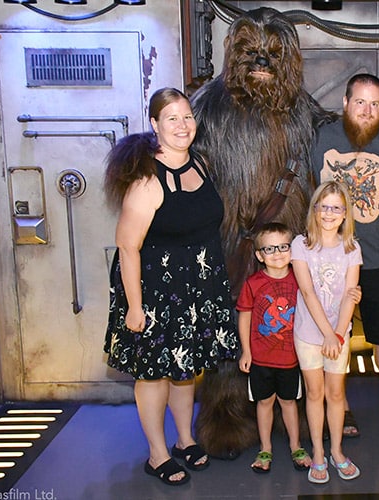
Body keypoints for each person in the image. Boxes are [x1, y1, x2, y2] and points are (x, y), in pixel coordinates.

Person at [103, 87, 239, 485]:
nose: (182, 125)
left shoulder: (202, 164)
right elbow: (128, 247)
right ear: (155, 125)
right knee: (154, 374)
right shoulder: (147, 179)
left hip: (198, 286)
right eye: (172, 118)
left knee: (186, 370)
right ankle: (157, 454)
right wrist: (134, 306)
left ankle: (184, 439)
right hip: (155, 292)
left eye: (187, 117)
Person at [311, 73, 379, 436]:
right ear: (345, 103)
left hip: (374, 261)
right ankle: (341, 405)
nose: (367, 111)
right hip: (327, 261)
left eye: (375, 104)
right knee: (334, 334)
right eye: (360, 102)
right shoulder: (319, 140)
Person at [291, 181, 363, 484]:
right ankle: (318, 452)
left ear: (345, 213)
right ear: (315, 210)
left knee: (336, 393)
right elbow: (307, 293)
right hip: (310, 334)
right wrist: (327, 335)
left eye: (336, 207)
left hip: (339, 332)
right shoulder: (301, 244)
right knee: (315, 392)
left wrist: (338, 333)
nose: (330, 213)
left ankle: (336, 451)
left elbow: (350, 292)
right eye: (324, 206)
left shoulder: (352, 248)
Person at [236, 222, 312, 474]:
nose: (277, 253)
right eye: (269, 249)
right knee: (264, 403)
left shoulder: (302, 281)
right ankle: (265, 448)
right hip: (261, 359)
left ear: (293, 249)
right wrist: (246, 351)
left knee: (289, 403)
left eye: (283, 246)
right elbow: (245, 316)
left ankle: (296, 446)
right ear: (259, 255)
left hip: (291, 359)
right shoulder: (253, 283)